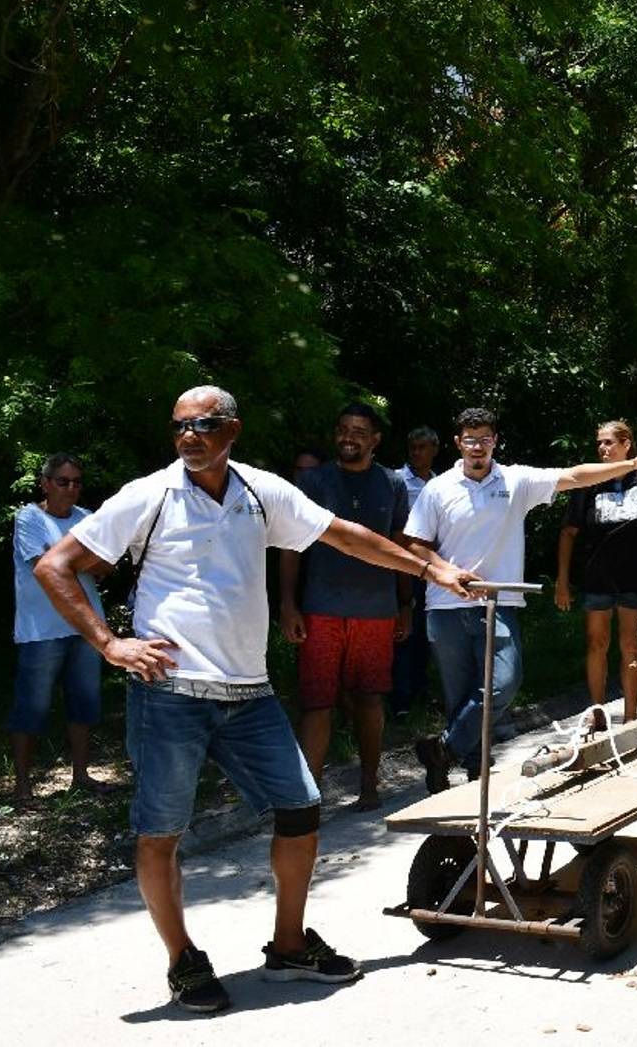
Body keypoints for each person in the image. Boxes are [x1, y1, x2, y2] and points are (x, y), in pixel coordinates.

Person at [32, 386, 478, 1014]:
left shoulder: (259, 491)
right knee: (161, 832)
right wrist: (110, 644)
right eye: (180, 425)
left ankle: (290, 945)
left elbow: (345, 536)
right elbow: (55, 565)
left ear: (232, 429)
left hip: (248, 692)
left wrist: (432, 571)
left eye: (205, 424)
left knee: (300, 807)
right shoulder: (148, 495)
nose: (190, 435)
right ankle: (183, 962)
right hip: (170, 694)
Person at [406, 406, 637, 793]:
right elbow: (416, 544)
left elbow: (573, 476)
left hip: (498, 604)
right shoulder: (437, 489)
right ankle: (469, 774)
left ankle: (444, 748)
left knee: (504, 681)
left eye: (485, 439)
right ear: (458, 443)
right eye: (470, 440)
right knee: (460, 696)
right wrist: (444, 572)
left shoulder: (515, 480)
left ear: (495, 441)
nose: (477, 447)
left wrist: (633, 462)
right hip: (445, 606)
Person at [279, 403, 410, 810]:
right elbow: (291, 545)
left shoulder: (392, 484)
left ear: (375, 440)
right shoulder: (313, 481)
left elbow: (399, 547)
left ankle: (369, 787)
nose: (348, 438)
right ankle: (308, 799)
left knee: (370, 699)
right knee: (317, 703)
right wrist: (288, 602)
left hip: (376, 609)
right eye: (342, 429)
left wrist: (405, 604)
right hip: (321, 608)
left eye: (358, 431)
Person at [8, 452, 110, 804]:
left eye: (77, 482)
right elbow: (44, 565)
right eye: (63, 481)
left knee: (85, 704)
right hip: (41, 630)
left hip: (87, 627)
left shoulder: (87, 518)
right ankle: (23, 787)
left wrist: (64, 557)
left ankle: (80, 776)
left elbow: (106, 564)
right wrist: (79, 559)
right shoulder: (29, 518)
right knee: (31, 706)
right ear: (45, 484)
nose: (71, 488)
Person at [555, 420, 637, 719]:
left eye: (609, 442)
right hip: (597, 575)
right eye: (599, 442)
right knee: (597, 642)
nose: (603, 448)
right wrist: (562, 580)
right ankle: (597, 712)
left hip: (634, 574)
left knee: (631, 646)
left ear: (627, 444)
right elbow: (568, 532)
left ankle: (630, 716)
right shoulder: (589, 481)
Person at [390, 426, 442, 718]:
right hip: (404, 564)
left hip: (433, 566)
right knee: (404, 630)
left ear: (434, 449)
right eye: (413, 447)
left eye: (423, 447)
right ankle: (401, 699)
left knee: (427, 631)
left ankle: (421, 690)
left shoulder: (441, 483)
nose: (417, 453)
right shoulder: (397, 480)